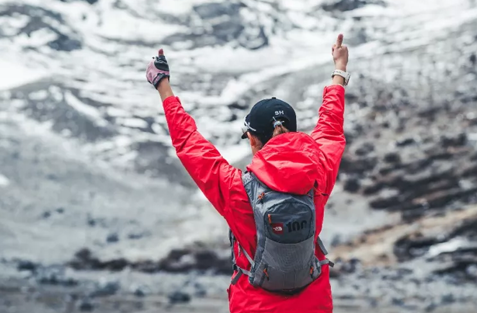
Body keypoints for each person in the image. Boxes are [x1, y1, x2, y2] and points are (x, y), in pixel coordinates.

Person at [146, 34, 350, 312]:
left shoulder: (237, 189)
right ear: (293, 130)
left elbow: (189, 142)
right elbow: (330, 126)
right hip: (313, 302)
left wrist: (162, 84)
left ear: (253, 140)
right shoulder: (320, 170)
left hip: (254, 305)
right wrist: (339, 69)